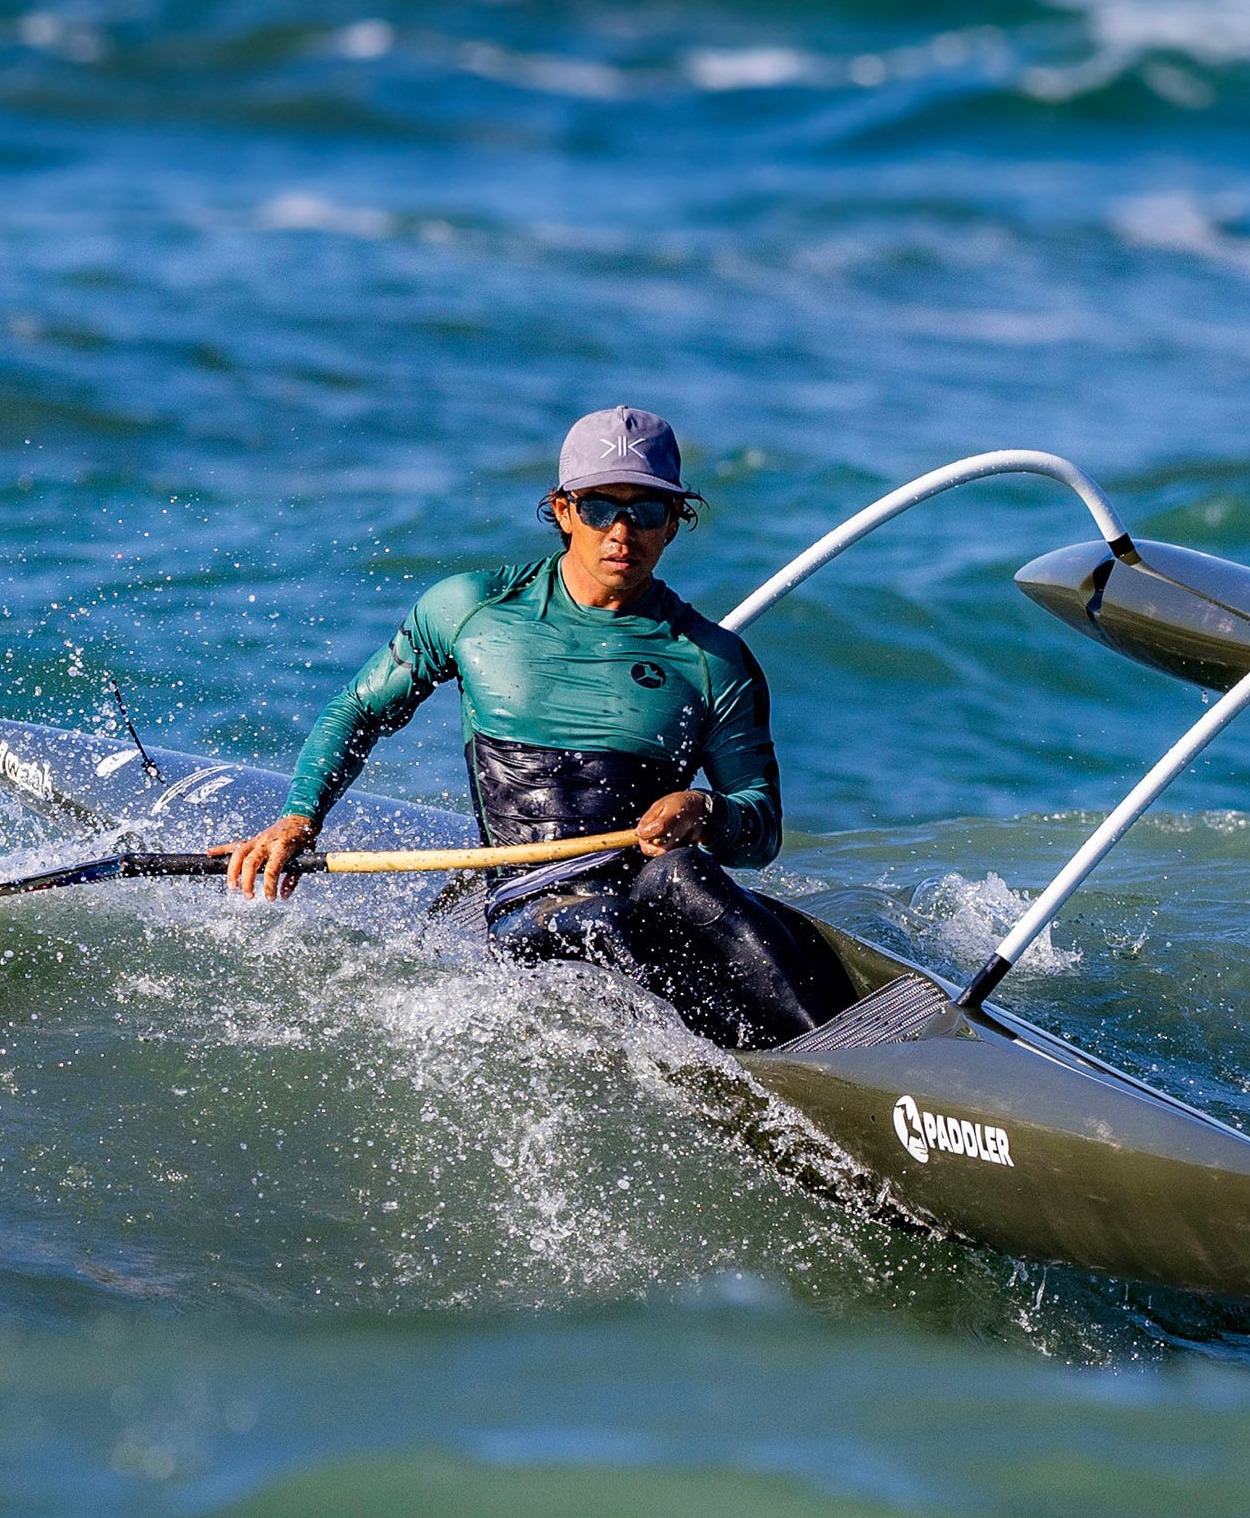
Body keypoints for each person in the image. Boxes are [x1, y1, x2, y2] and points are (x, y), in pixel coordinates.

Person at [211, 406, 851, 1048]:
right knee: (614, 925)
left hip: (651, 892)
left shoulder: (713, 661)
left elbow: (759, 829)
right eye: (601, 508)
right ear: (564, 510)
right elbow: (358, 711)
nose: (621, 531)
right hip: (531, 908)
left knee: (690, 876)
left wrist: (706, 810)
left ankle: (844, 1054)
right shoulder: (472, 610)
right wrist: (299, 819)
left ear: (674, 524)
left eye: (646, 510)